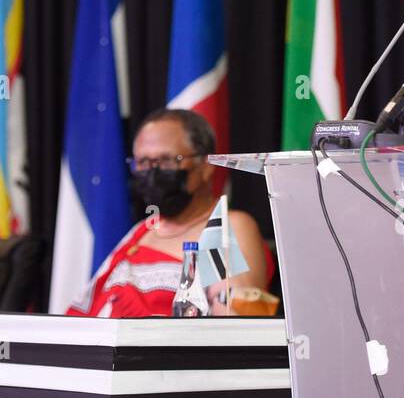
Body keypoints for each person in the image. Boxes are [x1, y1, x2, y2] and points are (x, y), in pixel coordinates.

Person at [67, 108, 272, 317]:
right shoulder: (142, 231)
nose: (153, 172)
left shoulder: (225, 225)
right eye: (143, 162)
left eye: (166, 161)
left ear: (205, 165)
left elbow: (238, 323)